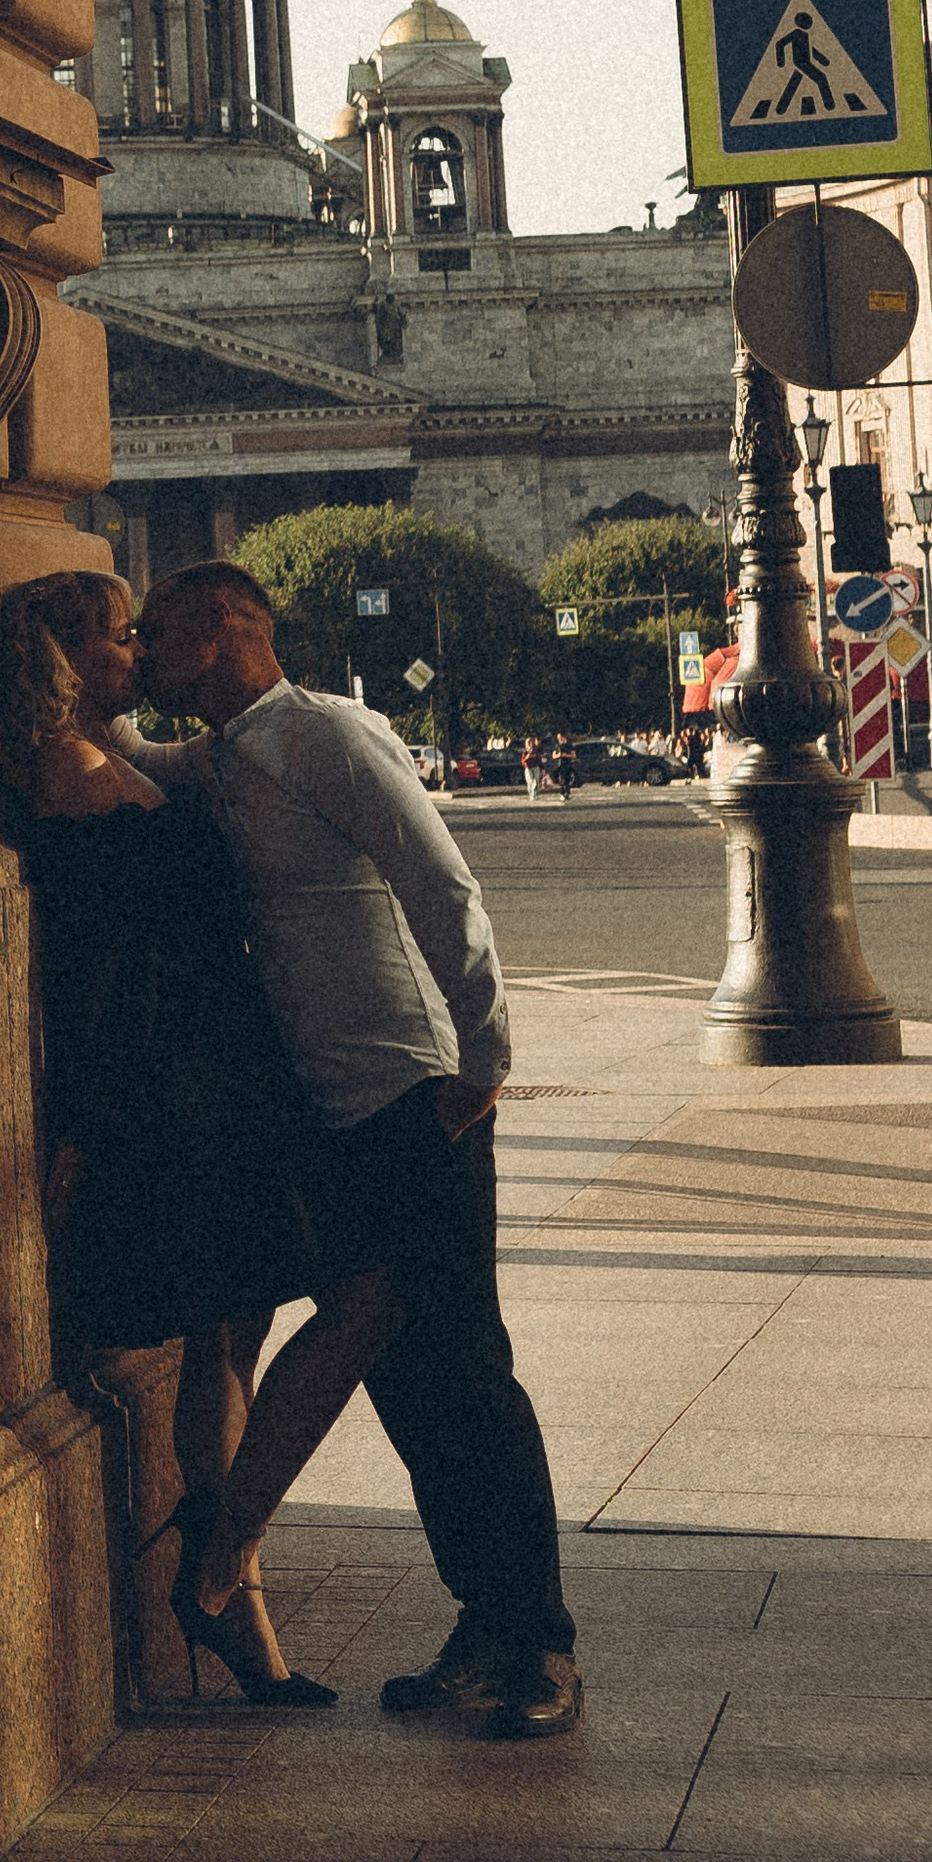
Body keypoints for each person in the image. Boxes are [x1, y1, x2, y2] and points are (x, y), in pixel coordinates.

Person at [130, 561, 582, 1741]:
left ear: (226, 625)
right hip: (330, 1109)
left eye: (156, 629)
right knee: (404, 1379)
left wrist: (482, 1060)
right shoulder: (227, 753)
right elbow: (132, 761)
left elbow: (443, 883)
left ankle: (538, 1645)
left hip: (410, 1090)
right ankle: (484, 1623)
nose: (140, 644)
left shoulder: (321, 732)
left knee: (467, 1372)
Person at [0, 572, 403, 1706]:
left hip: (213, 1074)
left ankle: (232, 1601)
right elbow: (105, 972)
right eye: (117, 637)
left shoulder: (111, 759)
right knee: (308, 1309)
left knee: (230, 1340)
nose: (135, 650)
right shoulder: (74, 781)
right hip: (177, 1088)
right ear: (70, 661)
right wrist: (92, 1123)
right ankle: (224, 1585)